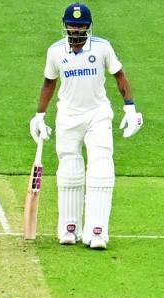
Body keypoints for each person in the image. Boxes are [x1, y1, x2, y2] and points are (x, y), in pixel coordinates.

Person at [29, 2, 143, 249]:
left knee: (101, 169)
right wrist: (39, 115)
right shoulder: (56, 51)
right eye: (72, 25)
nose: (76, 30)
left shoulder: (102, 48)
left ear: (88, 27)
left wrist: (130, 107)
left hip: (97, 115)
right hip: (68, 116)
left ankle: (97, 232)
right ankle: (69, 229)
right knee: (69, 171)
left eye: (80, 26)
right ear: (65, 25)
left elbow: (119, 75)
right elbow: (49, 83)